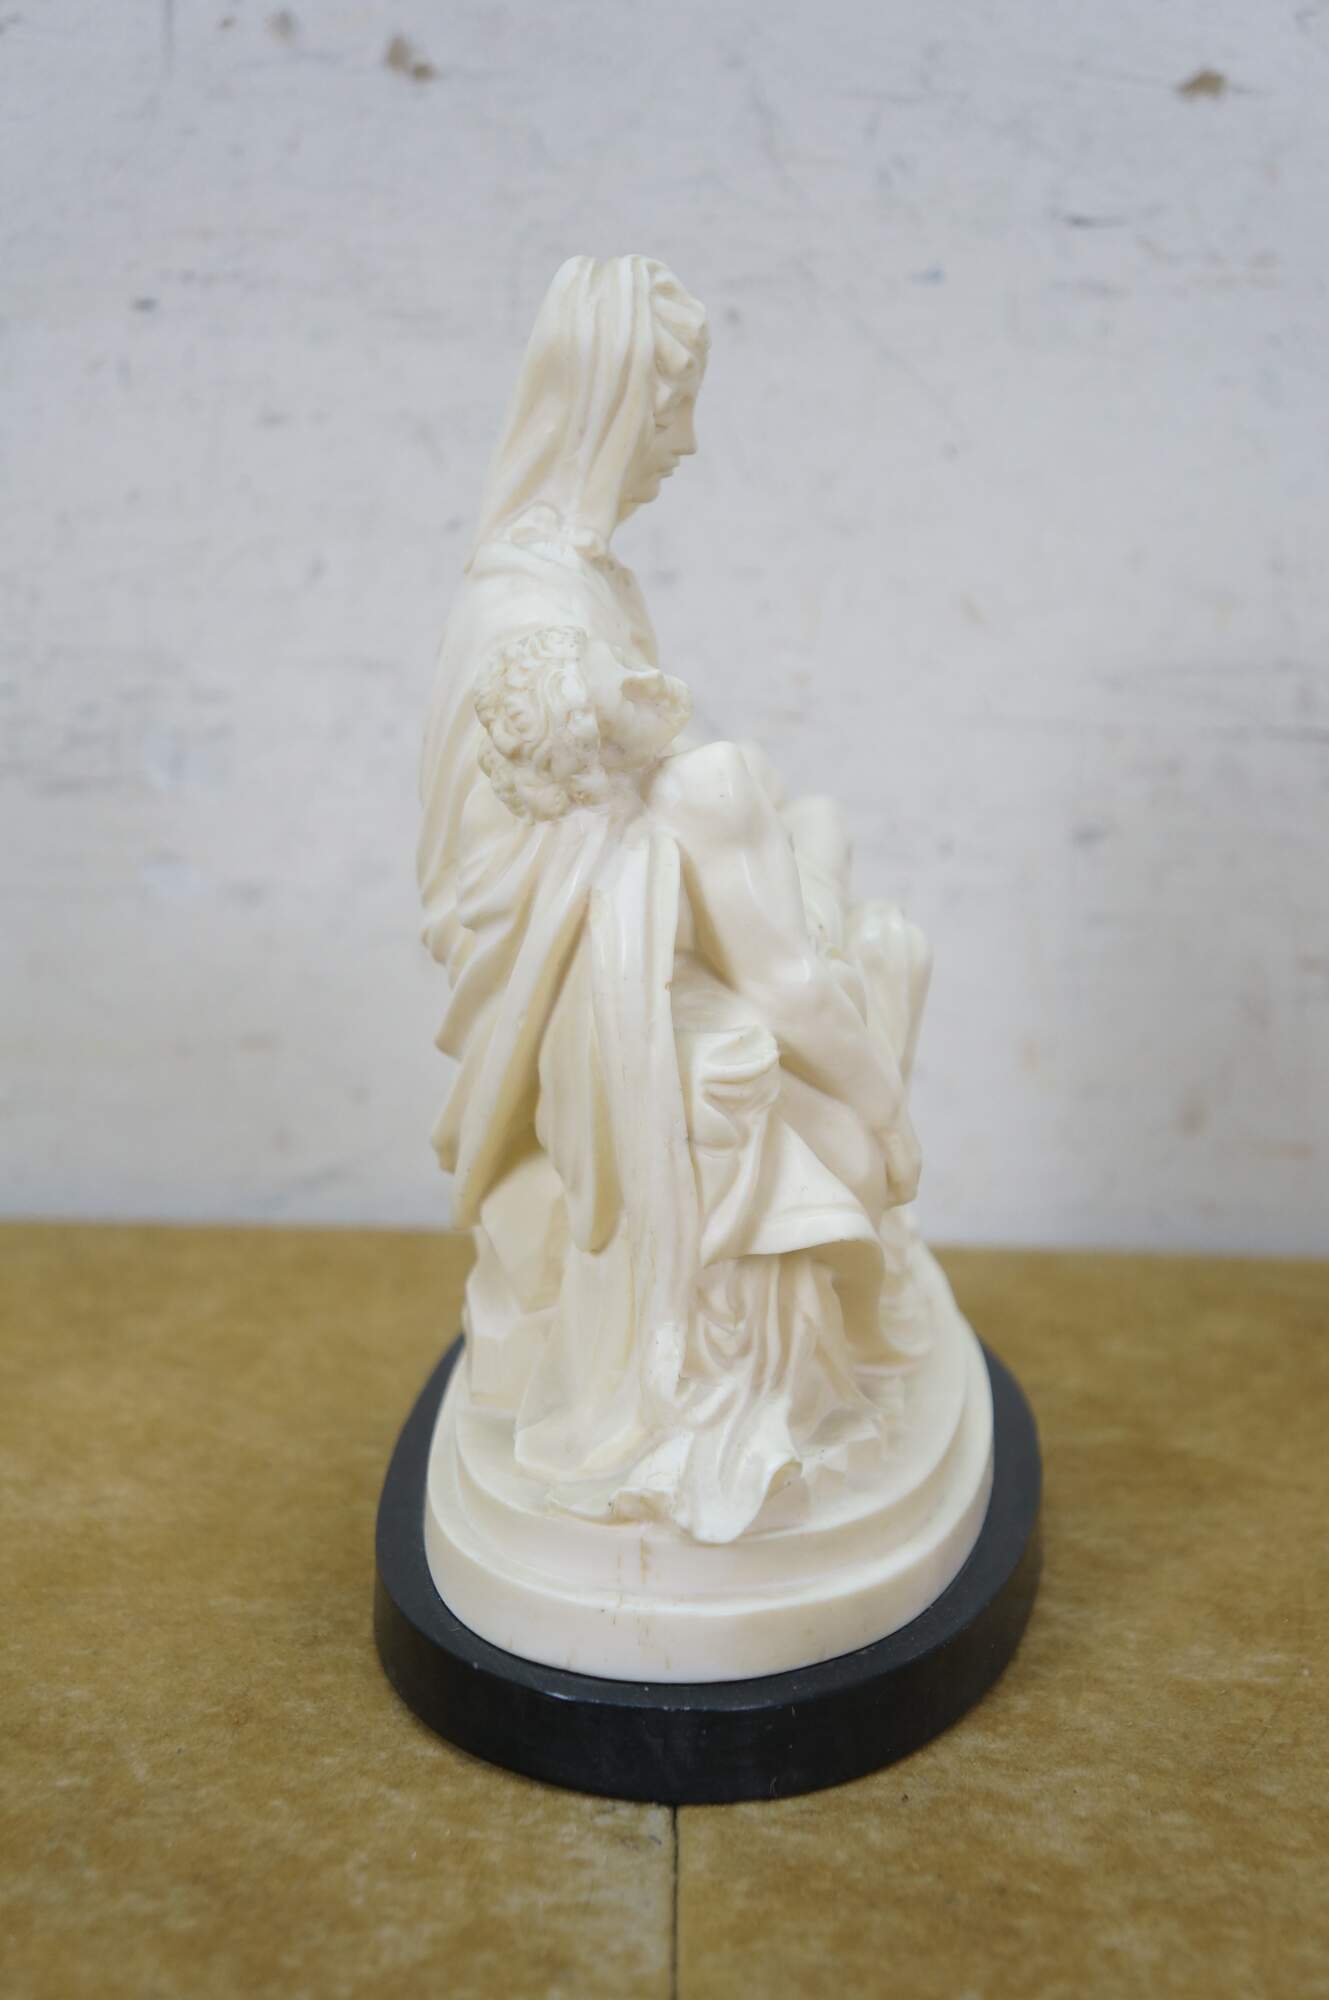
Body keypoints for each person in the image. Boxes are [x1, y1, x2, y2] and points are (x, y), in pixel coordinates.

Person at [419, 256, 930, 1542]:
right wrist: (883, 1105)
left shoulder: (583, 587)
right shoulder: (536, 618)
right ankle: (763, 1362)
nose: (685, 442)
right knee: (843, 1045)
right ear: (606, 408)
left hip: (656, 926)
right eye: (671, 408)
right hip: (611, 969)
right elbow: (495, 869)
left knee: (822, 858)